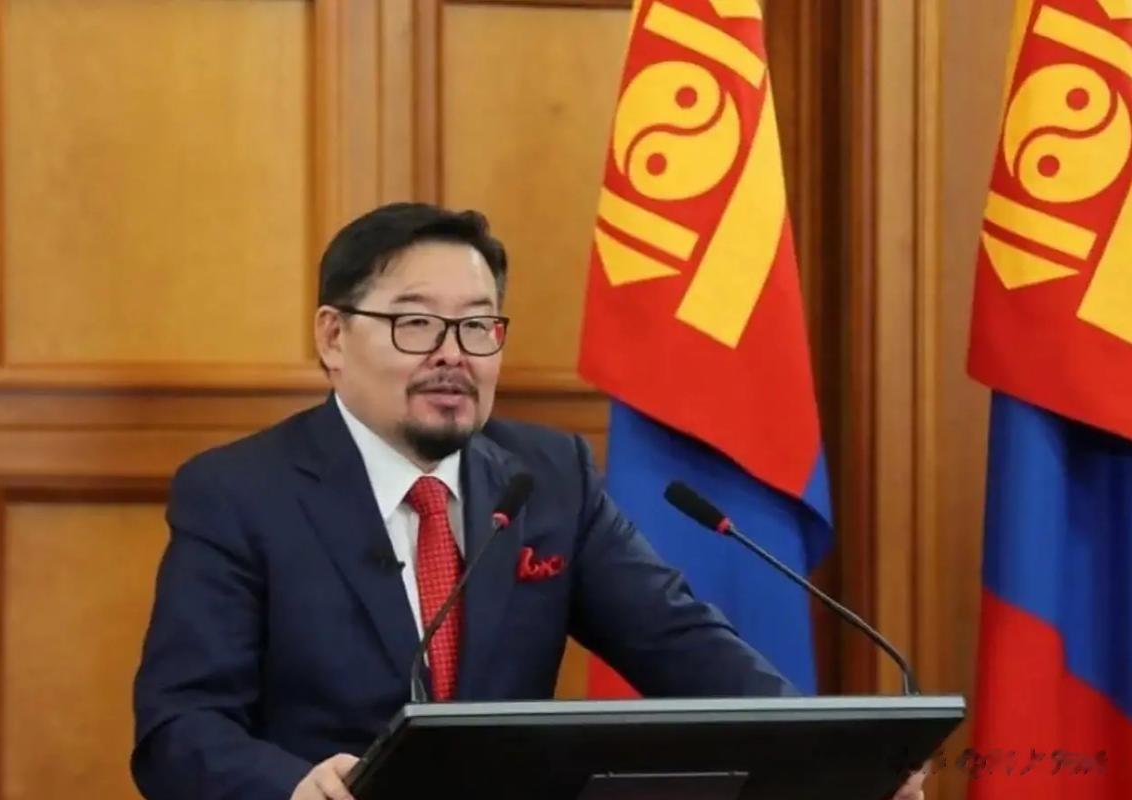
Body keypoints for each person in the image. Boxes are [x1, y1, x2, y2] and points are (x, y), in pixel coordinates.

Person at [131, 203, 927, 800]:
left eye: (478, 327)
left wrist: (840, 758)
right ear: (333, 337)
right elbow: (179, 729)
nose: (452, 355)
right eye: (417, 324)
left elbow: (686, 649)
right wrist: (291, 786)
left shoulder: (549, 478)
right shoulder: (238, 493)